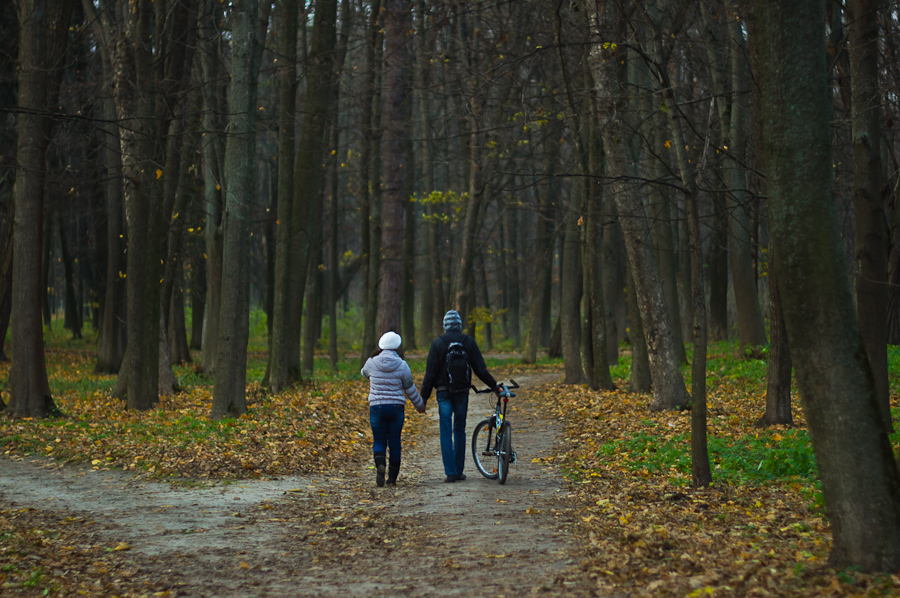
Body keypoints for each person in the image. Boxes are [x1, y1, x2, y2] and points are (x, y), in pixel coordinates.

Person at [421, 310, 499, 483]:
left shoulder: (437, 344)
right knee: (459, 429)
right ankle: (459, 470)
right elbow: (480, 369)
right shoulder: (468, 342)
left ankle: (450, 472)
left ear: (445, 325)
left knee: (445, 430)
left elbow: (430, 374)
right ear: (459, 325)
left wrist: (423, 398)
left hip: (443, 392)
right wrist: (494, 386)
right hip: (461, 392)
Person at [361, 331, 426, 487]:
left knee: (379, 440)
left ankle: (380, 465)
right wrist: (420, 406)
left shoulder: (371, 362)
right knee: (395, 441)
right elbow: (410, 389)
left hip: (377, 407)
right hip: (396, 408)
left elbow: (364, 373)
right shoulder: (402, 365)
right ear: (397, 346)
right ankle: (392, 479)